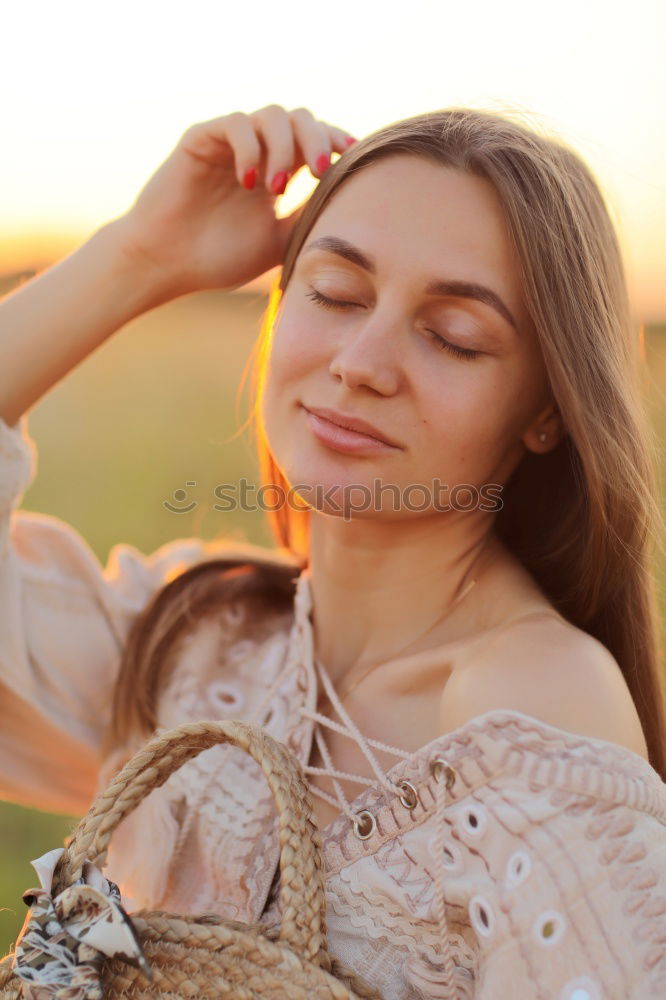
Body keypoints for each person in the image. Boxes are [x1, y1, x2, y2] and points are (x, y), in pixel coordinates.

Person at [1, 103, 665, 999]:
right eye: (336, 293)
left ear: (547, 410)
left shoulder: (528, 711)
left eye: (453, 336)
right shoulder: (199, 638)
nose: (361, 360)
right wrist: (139, 255)